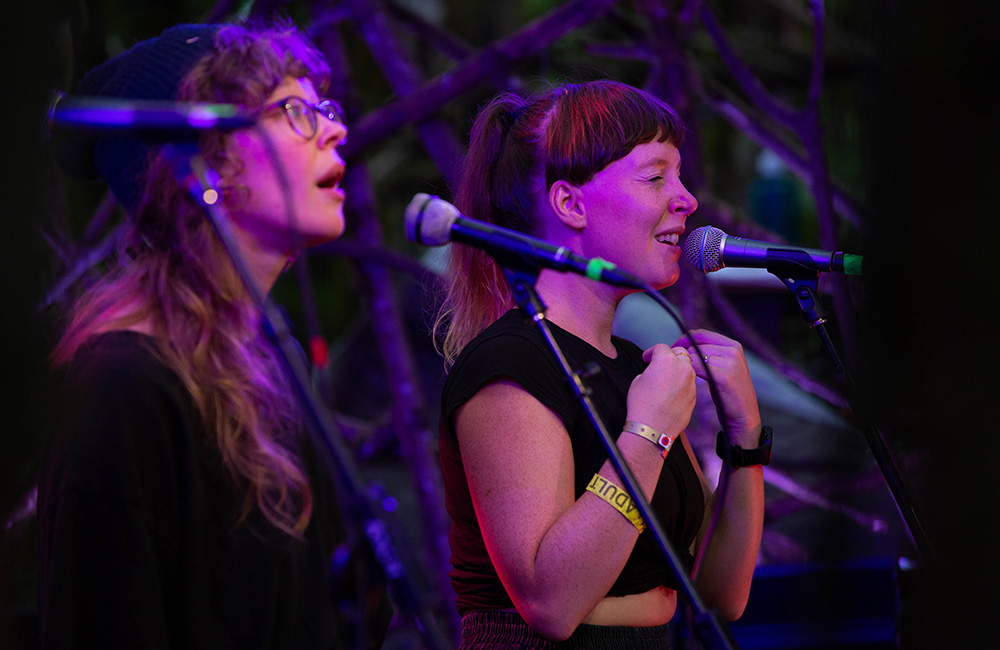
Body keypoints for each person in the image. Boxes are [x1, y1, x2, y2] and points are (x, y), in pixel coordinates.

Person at [37, 20, 388, 649]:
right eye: (296, 113)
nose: (335, 130)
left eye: (325, 110)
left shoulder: (269, 371)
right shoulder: (126, 387)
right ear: (203, 160)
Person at [434, 80, 767, 648]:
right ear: (570, 203)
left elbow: (720, 593)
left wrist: (747, 440)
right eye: (656, 176)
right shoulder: (509, 366)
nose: (685, 199)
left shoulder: (636, 370)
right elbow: (552, 603)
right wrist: (650, 431)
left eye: (679, 176)